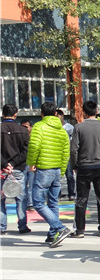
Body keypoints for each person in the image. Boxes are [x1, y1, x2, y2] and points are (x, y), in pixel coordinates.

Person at [26, 102, 72, 248]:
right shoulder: (62, 131)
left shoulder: (39, 126)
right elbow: (66, 153)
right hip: (57, 169)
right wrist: (62, 170)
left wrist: (31, 163)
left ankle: (59, 228)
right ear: (55, 114)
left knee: (38, 202)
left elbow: (34, 146)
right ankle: (53, 234)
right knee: (53, 203)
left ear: (41, 114)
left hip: (44, 169)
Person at [70, 100, 100, 238]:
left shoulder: (78, 127)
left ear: (83, 112)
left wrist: (75, 165)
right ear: (97, 112)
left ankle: (80, 230)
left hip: (84, 166)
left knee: (81, 198)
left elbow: (73, 149)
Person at [1, 104, 31, 235]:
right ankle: (22, 226)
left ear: (3, 114)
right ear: (15, 114)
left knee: (1, 199)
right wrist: (12, 163)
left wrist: (4, 164)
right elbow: (26, 151)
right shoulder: (23, 130)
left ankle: (2, 227)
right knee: (20, 198)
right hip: (18, 168)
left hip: (2, 169)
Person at [56, 108, 76, 201]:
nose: (57, 118)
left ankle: (71, 193)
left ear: (62, 116)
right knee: (57, 176)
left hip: (67, 154)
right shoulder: (54, 128)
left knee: (69, 175)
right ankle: (58, 194)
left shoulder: (69, 127)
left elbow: (73, 141)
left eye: (58, 116)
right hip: (57, 154)